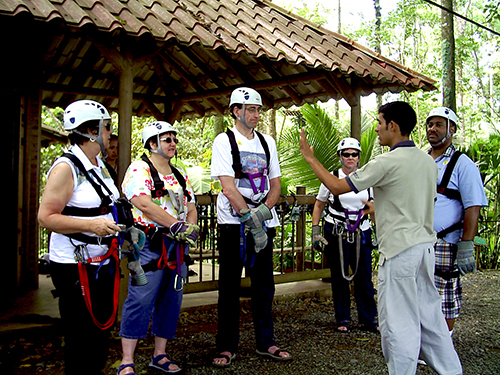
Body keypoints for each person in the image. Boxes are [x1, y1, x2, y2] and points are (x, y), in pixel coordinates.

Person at [300, 101, 462, 375]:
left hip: (400, 253)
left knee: (398, 323)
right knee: (431, 318)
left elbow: (338, 186)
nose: (376, 128)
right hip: (425, 248)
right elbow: (413, 201)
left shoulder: (386, 162)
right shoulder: (427, 161)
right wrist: (378, 208)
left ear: (393, 126)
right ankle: (451, 370)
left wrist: (311, 159)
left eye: (379, 122)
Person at [38, 99, 122, 375]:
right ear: (89, 130)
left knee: (100, 335)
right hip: (75, 265)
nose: (110, 133)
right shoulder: (66, 168)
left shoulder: (99, 166)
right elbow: (46, 217)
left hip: (102, 260)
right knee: (80, 336)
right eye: (107, 128)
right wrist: (91, 226)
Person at [210, 87, 292, 367]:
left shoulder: (267, 142)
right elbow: (227, 185)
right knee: (229, 285)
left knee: (264, 284)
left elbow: (276, 183)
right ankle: (226, 345)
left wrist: (264, 211)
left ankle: (266, 341)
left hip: (263, 218)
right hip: (233, 223)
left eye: (259, 110)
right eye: (252, 110)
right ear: (236, 111)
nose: (257, 115)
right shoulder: (224, 141)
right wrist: (249, 217)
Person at [117, 121, 199, 375]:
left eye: (174, 139)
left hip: (175, 249)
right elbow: (142, 202)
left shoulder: (178, 174)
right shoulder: (139, 169)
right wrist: (176, 225)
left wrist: (190, 230)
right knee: (140, 298)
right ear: (152, 143)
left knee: (171, 299)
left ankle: (159, 354)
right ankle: (127, 360)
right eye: (166, 139)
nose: (173, 143)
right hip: (149, 245)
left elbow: (191, 205)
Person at [426, 107, 487, 335]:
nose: (432, 129)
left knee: (445, 290)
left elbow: (473, 205)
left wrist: (466, 244)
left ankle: (444, 340)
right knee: (422, 288)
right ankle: (427, 339)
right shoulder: (422, 160)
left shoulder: (463, 164)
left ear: (451, 129)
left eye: (439, 125)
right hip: (421, 238)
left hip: (446, 240)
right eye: (430, 124)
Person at [311, 137, 378, 333]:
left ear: (359, 157)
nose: (350, 158)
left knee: (364, 277)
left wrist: (378, 231)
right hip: (337, 230)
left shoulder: (368, 178)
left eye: (354, 154)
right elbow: (319, 204)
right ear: (340, 157)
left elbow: (373, 207)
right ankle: (343, 318)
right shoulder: (332, 178)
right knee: (339, 276)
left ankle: (368, 319)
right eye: (346, 154)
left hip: (361, 231)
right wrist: (316, 230)